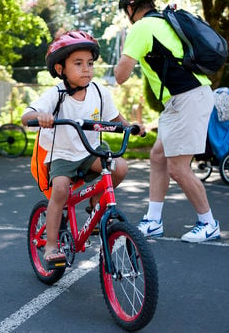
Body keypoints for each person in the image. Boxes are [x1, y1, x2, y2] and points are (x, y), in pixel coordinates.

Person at [22, 30, 142, 265]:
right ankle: (52, 246)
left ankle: (95, 205)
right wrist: (41, 116)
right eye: (78, 63)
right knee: (60, 190)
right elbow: (26, 116)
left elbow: (115, 117)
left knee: (119, 168)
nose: (86, 68)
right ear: (60, 69)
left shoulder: (99, 91)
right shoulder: (56, 95)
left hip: (90, 151)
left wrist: (131, 127)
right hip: (63, 154)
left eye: (89, 63)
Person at [114, 0, 220, 243]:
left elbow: (120, 76)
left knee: (178, 167)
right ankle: (153, 220)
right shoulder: (163, 22)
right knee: (159, 156)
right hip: (183, 99)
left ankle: (208, 223)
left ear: (130, 7)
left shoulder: (142, 27)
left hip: (188, 98)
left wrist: (126, 54)